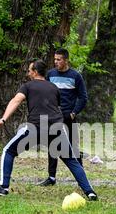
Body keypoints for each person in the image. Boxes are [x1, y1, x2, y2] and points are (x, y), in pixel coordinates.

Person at [0, 59, 97, 201]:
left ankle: (3, 187)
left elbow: (16, 100)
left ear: (35, 72)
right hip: (56, 128)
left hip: (35, 128)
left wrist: (3, 119)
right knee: (72, 161)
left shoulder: (28, 86)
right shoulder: (53, 87)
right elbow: (55, 106)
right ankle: (90, 192)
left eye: (29, 70)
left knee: (9, 150)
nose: (28, 73)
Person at [38, 48, 88, 187]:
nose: (56, 62)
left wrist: (74, 112)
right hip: (53, 116)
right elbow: (45, 93)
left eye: (59, 59)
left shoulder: (76, 76)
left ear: (66, 60)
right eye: (55, 59)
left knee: (74, 146)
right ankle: (51, 177)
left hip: (69, 116)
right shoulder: (50, 74)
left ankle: (81, 178)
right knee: (52, 145)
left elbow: (83, 97)